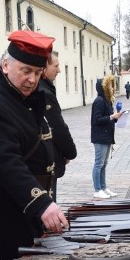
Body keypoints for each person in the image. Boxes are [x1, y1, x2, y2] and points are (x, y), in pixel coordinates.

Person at [0, 30, 69, 260]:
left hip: (26, 212)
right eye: (25, 71)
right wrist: (42, 203)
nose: (33, 79)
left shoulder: (23, 97)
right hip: (4, 215)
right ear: (5, 65)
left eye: (37, 72)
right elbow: (7, 164)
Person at [38, 50, 77, 201]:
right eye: (56, 66)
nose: (59, 70)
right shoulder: (44, 91)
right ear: (44, 67)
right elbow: (58, 127)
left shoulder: (44, 88)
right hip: (47, 159)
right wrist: (69, 152)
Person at [90, 74, 123, 199]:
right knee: (99, 163)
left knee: (104, 163)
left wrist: (116, 116)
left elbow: (108, 119)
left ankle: (103, 187)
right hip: (100, 137)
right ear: (104, 87)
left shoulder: (108, 100)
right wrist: (111, 117)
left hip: (107, 136)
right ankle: (97, 189)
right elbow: (97, 119)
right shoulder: (99, 101)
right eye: (110, 85)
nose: (112, 87)